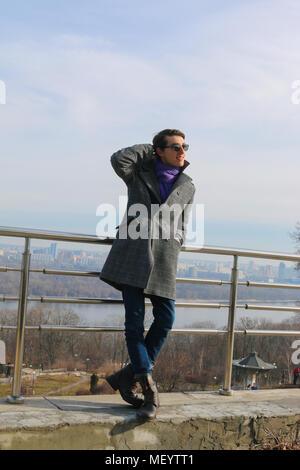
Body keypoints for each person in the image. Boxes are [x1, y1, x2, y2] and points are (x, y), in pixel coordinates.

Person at [100, 129, 195, 419]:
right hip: (133, 255)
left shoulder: (188, 185)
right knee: (134, 324)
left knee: (166, 318)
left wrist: (178, 239)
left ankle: (127, 376)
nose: (182, 152)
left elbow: (183, 224)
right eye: (176, 147)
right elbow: (118, 159)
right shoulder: (138, 172)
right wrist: (149, 149)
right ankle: (148, 387)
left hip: (165, 260)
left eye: (185, 146)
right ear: (159, 151)